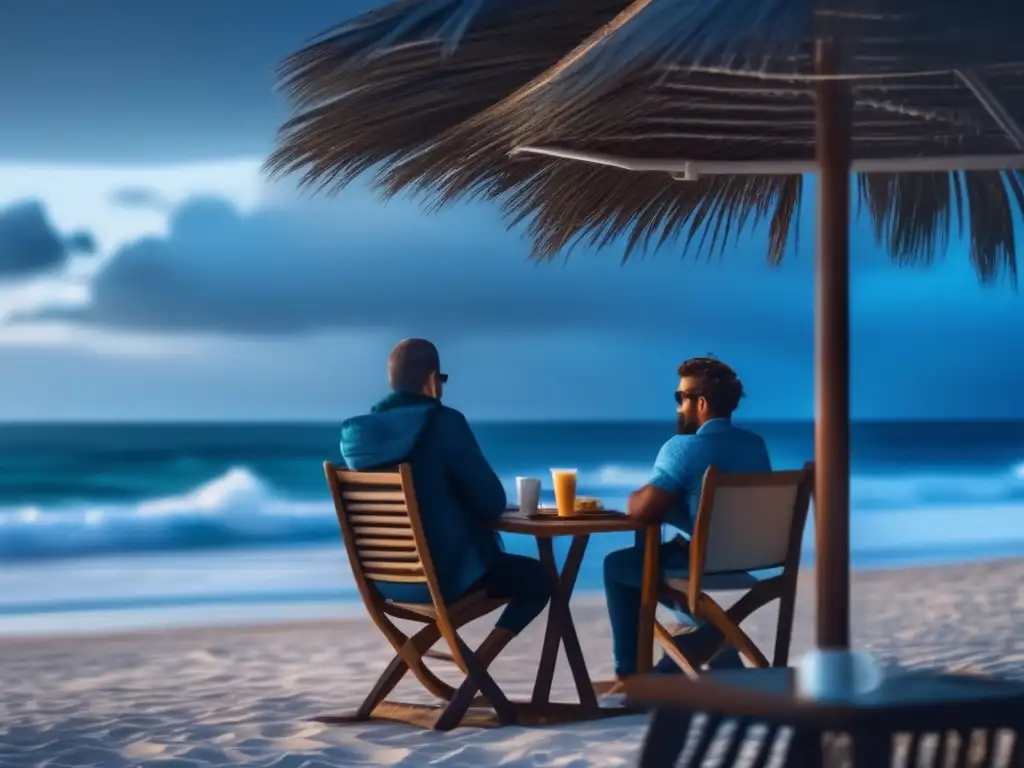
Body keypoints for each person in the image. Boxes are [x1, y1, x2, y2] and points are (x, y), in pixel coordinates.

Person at [339, 338, 551, 665]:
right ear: (432, 380)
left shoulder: (360, 436)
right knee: (539, 578)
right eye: (442, 380)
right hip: (449, 578)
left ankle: (469, 678)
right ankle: (476, 671)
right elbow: (491, 502)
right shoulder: (443, 423)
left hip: (385, 582)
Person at [603, 357, 772, 680]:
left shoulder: (686, 447)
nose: (678, 406)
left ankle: (632, 677)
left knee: (620, 566)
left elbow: (641, 509)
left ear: (702, 402)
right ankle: (719, 659)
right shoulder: (755, 445)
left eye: (681, 397)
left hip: (704, 561)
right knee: (659, 566)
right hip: (750, 557)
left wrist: (641, 498)